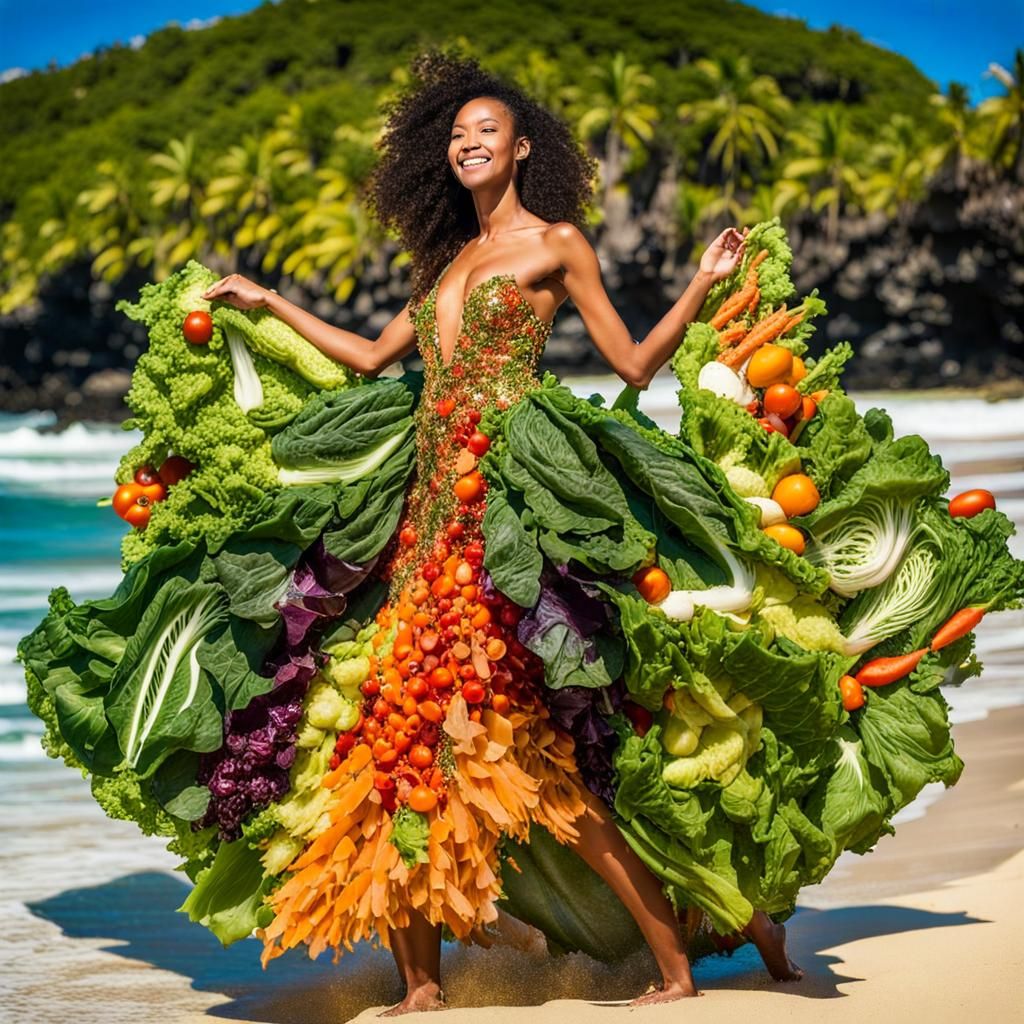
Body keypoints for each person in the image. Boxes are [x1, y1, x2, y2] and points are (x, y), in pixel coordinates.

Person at [201, 51, 800, 1014]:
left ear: (521, 148)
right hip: (423, 528)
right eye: (455, 135)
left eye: (486, 131)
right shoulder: (447, 264)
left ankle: (681, 968)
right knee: (391, 754)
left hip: (503, 521)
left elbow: (637, 364)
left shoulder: (557, 243)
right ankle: (424, 991)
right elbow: (370, 358)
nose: (468, 144)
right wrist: (268, 303)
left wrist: (699, 282)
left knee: (538, 767)